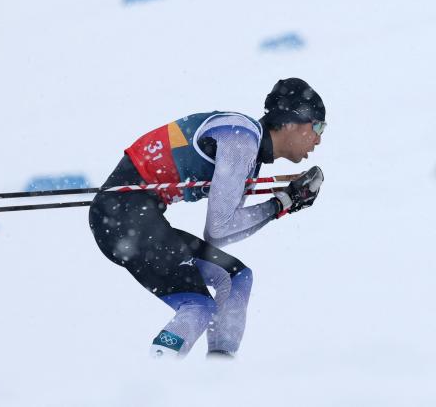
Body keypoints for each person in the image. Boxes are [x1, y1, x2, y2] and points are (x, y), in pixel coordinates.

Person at [88, 78, 326, 358]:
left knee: (237, 277)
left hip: (130, 215)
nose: (319, 139)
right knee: (198, 305)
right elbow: (219, 227)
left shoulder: (250, 156)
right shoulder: (242, 138)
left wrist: (282, 204)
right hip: (122, 213)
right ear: (291, 121)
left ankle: (218, 374)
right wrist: (279, 204)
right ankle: (156, 374)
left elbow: (221, 233)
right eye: (318, 127)